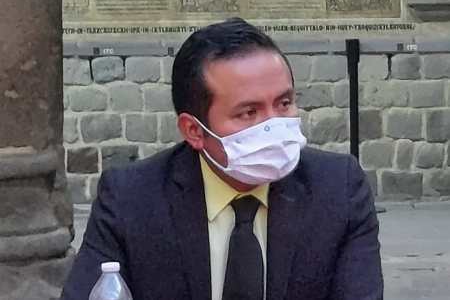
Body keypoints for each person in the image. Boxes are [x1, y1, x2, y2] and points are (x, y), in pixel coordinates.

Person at [61, 18, 383, 300]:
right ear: (194, 131)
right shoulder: (131, 199)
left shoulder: (338, 189)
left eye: (284, 103)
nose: (274, 125)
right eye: (249, 112)